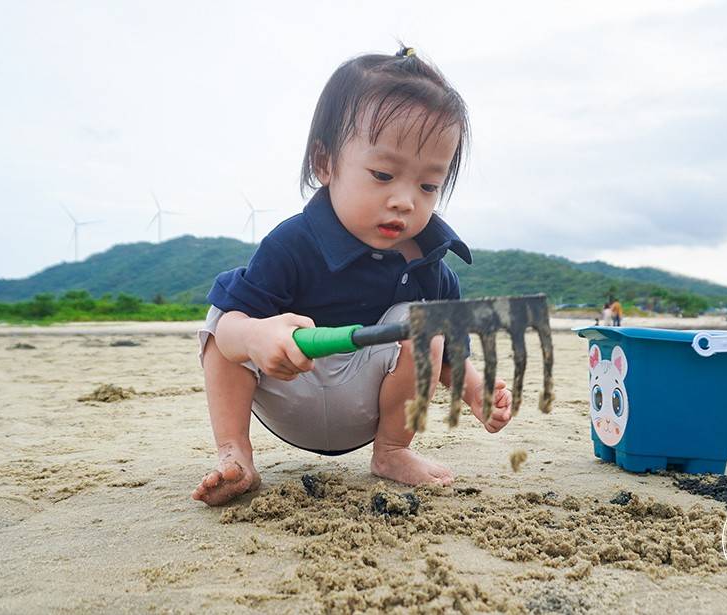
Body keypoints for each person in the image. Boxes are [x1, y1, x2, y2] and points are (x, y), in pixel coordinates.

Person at [192, 46, 513, 506]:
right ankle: (235, 454)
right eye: (383, 174)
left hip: (366, 407)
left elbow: (446, 358)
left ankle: (393, 451)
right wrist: (257, 334)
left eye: (427, 185)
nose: (405, 200)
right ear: (326, 163)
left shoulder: (433, 266)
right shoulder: (293, 244)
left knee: (424, 322)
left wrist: (475, 389)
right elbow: (229, 336)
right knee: (224, 315)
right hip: (289, 387)